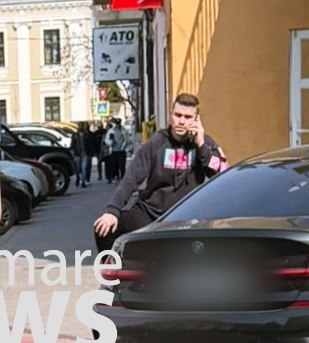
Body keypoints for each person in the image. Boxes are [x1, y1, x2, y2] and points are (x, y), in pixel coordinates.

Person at [92, 93, 227, 254]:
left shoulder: (205, 143)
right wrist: (112, 211)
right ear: (170, 115)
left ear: (196, 120)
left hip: (189, 217)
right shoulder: (156, 143)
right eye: (177, 115)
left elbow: (222, 172)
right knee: (104, 229)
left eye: (188, 117)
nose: (182, 121)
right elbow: (131, 178)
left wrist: (201, 145)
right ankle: (118, 270)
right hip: (153, 214)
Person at [81, 121, 104, 186]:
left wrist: (94, 151)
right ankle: (83, 179)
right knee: (83, 166)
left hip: (90, 152)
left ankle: (87, 179)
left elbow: (93, 143)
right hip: (82, 151)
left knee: (87, 166)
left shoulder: (92, 134)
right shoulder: (81, 134)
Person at [69, 122, 90, 188]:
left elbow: (90, 144)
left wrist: (92, 152)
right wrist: (71, 150)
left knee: (84, 168)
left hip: (85, 153)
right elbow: (72, 144)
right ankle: (78, 177)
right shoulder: (75, 135)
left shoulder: (86, 134)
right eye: (79, 126)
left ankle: (83, 182)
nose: (80, 127)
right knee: (78, 168)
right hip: (77, 153)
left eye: (81, 126)